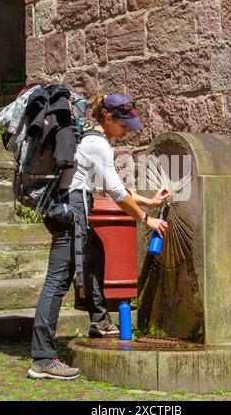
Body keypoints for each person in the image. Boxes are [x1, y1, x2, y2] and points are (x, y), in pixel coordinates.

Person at [28, 93, 169, 380]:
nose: (128, 130)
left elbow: (116, 186)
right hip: (71, 209)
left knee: (94, 253)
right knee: (57, 280)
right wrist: (146, 219)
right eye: (124, 124)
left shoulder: (89, 139)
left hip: (68, 205)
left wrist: (149, 203)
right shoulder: (97, 144)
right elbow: (117, 194)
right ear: (108, 117)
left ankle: (98, 319)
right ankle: (42, 357)